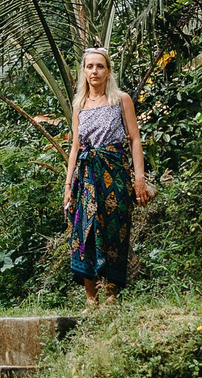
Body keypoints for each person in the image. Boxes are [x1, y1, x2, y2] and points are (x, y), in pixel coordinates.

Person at [63, 46, 149, 306]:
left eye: (99, 66)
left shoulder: (120, 100)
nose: (94, 71)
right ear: (83, 71)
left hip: (115, 175)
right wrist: (68, 185)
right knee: (84, 232)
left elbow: (134, 139)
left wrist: (139, 178)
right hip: (87, 177)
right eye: (89, 66)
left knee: (115, 230)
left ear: (108, 71)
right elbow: (76, 147)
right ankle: (91, 298)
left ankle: (111, 293)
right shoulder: (80, 105)